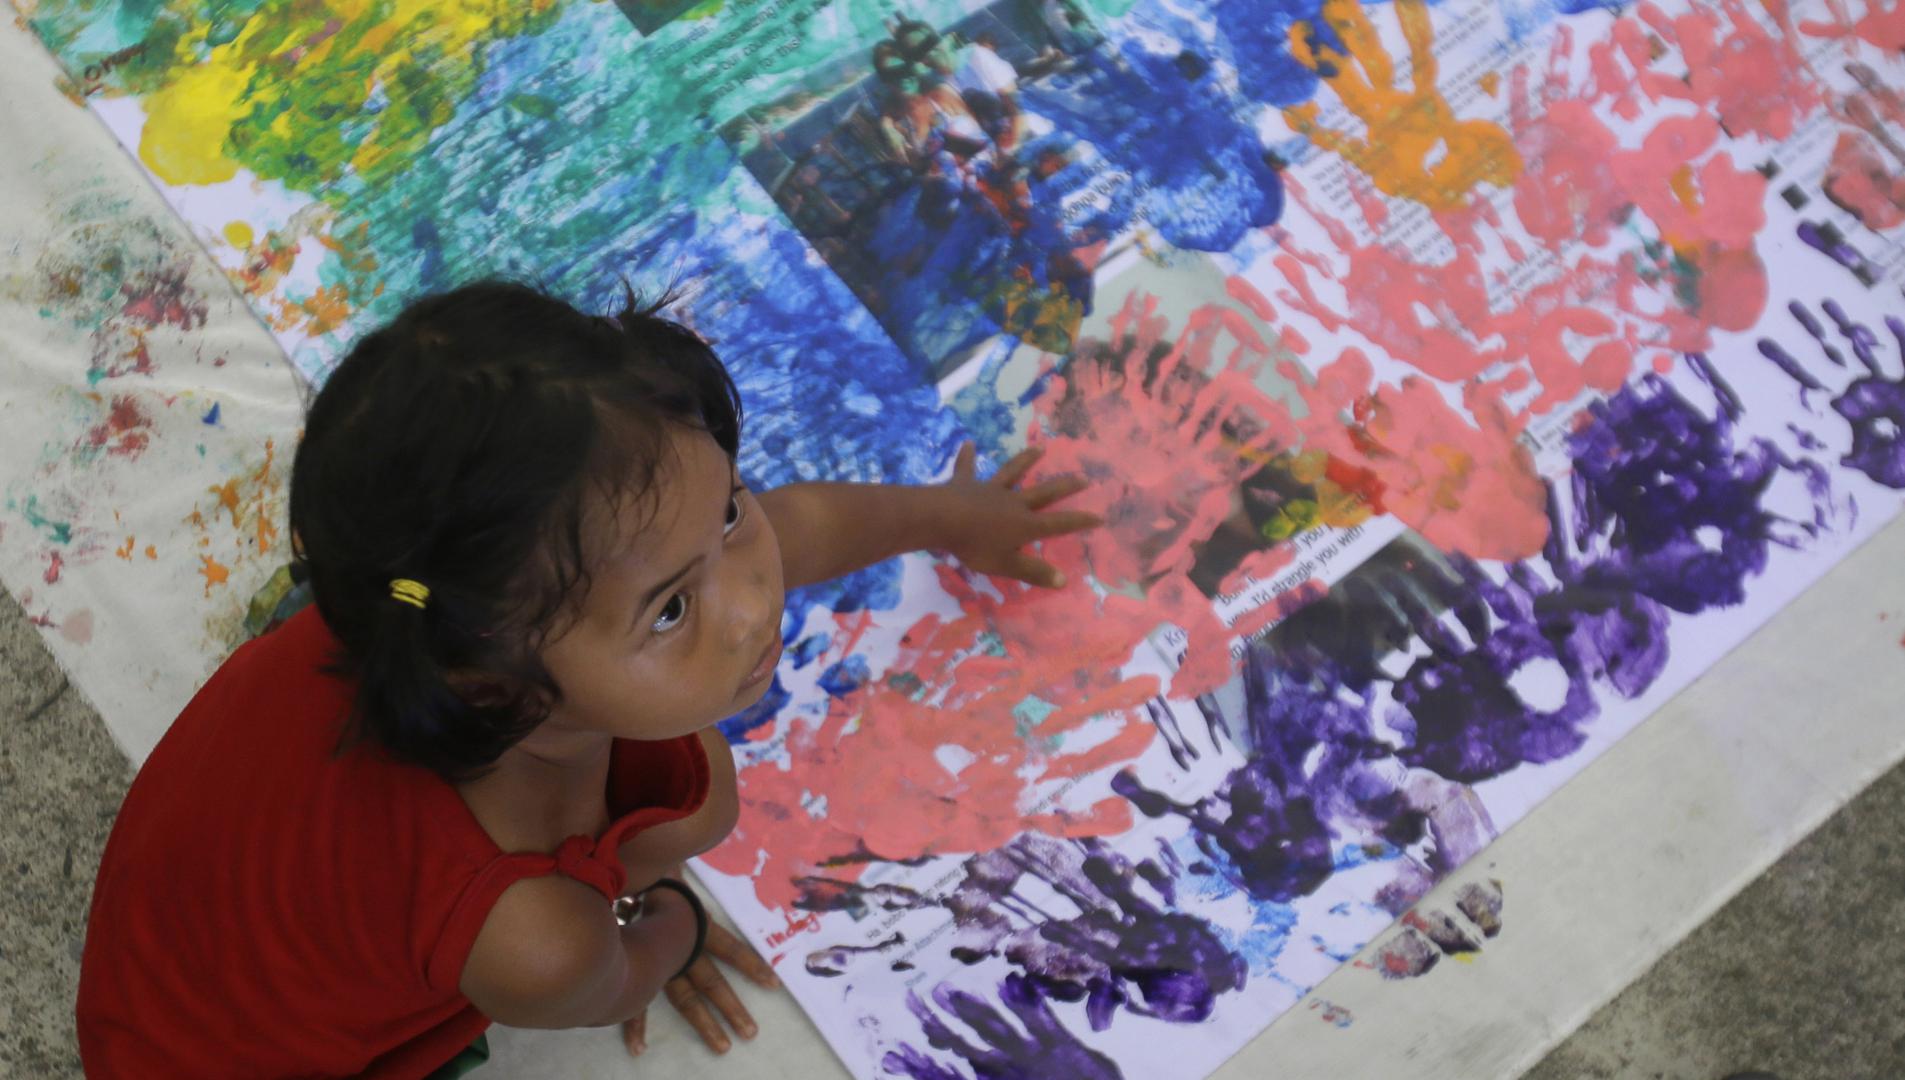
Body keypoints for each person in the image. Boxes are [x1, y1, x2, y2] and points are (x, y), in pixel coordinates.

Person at [74, 281, 1101, 1077]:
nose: (751, 603)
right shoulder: (532, 936)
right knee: (694, 806)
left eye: (728, 512)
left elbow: (791, 528)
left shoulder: (422, 599)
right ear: (496, 685)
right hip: (220, 1054)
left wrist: (947, 517)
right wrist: (669, 928)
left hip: (216, 892)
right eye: (670, 610)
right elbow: (615, 974)